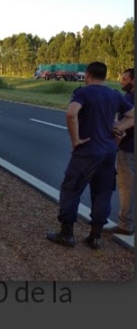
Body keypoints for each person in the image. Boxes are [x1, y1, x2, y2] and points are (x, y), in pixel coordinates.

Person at [46, 62, 134, 249]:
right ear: (104, 76)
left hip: (86, 151)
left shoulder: (83, 93)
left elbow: (71, 114)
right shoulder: (114, 94)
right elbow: (132, 115)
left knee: (71, 189)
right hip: (108, 153)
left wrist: (75, 139)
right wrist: (119, 127)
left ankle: (67, 234)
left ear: (87, 75)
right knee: (102, 192)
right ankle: (95, 237)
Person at [104, 68, 135, 235]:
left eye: (124, 79)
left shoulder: (129, 99)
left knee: (126, 186)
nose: (121, 82)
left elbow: (123, 125)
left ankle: (125, 224)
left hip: (129, 147)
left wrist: (113, 143)